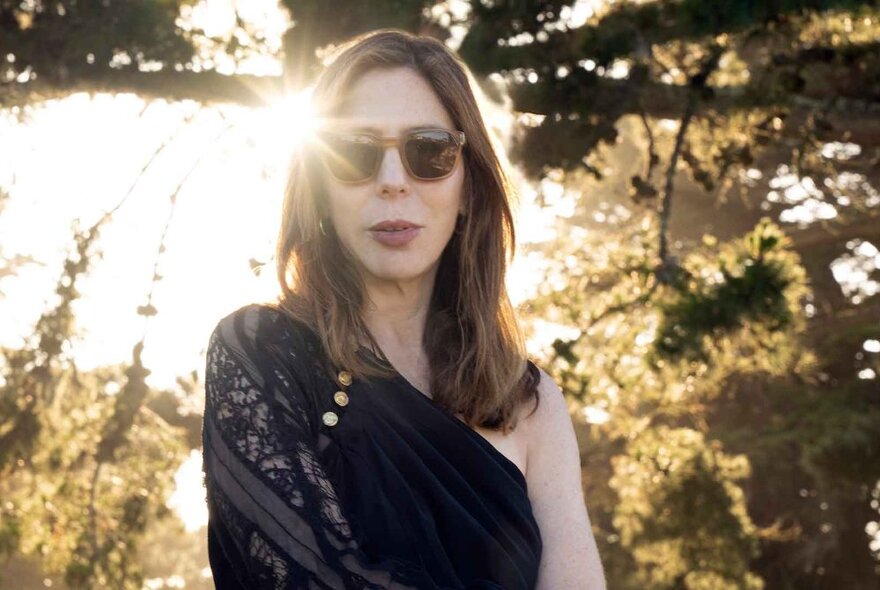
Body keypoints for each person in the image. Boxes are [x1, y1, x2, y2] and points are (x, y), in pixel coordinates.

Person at [201, 28, 605, 589]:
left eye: (429, 151)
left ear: (468, 189)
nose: (392, 182)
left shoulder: (533, 405)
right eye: (353, 153)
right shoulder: (259, 353)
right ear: (319, 190)